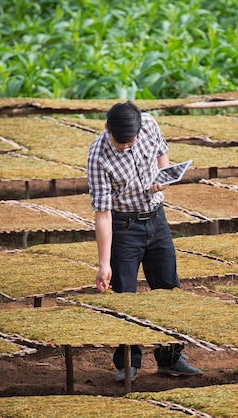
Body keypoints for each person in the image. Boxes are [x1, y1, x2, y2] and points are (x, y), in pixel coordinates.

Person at [87, 101, 202, 383]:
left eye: (131, 142)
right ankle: (128, 363)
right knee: (125, 296)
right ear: (106, 129)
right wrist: (103, 265)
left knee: (169, 290)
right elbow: (102, 214)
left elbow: (163, 155)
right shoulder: (98, 157)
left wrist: (162, 180)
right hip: (124, 227)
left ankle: (170, 357)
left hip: (156, 219)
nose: (126, 147)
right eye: (120, 143)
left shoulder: (148, 124)